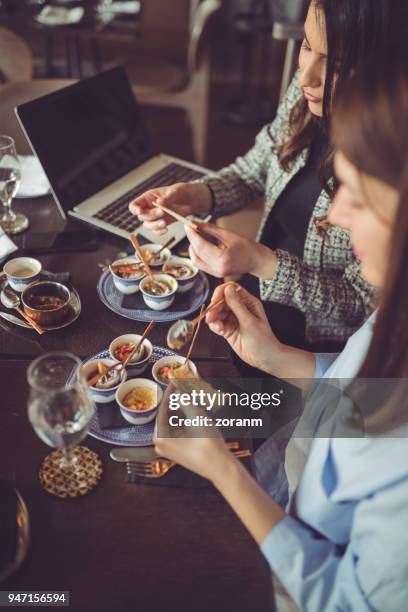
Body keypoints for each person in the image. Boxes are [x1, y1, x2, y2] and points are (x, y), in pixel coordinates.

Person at [153, 53, 408, 611]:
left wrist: (222, 470)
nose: (336, 214)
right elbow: (355, 389)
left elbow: (340, 598)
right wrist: (278, 358)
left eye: (358, 197)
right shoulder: (394, 313)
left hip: (292, 571)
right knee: (143, 443)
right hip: (295, 453)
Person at [129, 0, 397, 353]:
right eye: (306, 46)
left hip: (318, 345)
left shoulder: (391, 159)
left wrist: (261, 262)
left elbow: (361, 305)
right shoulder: (306, 98)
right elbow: (254, 169)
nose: (306, 76)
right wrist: (199, 195)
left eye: (337, 63)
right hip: (255, 293)